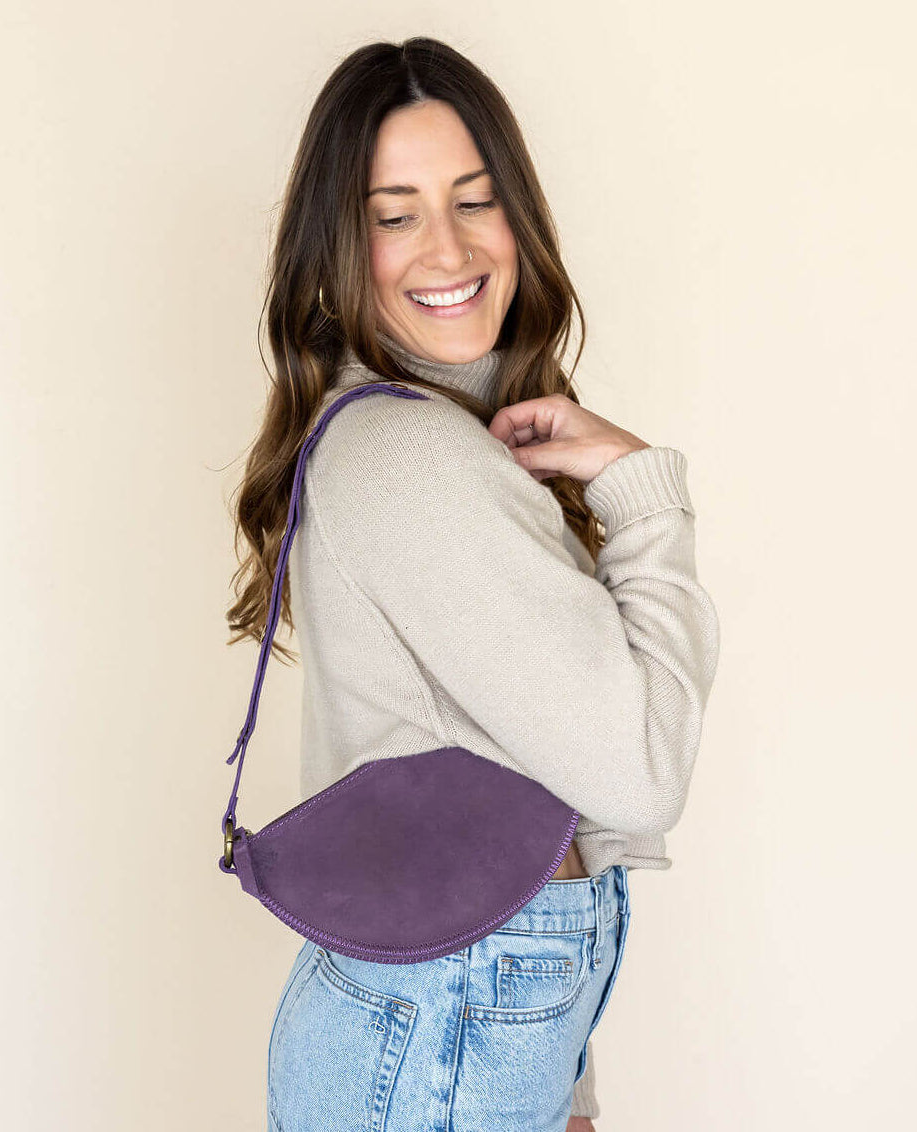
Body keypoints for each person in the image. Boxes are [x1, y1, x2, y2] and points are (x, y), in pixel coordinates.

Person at [225, 37, 720, 1132]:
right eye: (392, 214)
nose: (444, 247)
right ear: (334, 249)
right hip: (438, 1040)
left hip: (438, 1031)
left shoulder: (427, 440)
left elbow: (513, 796)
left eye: (473, 198)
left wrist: (566, 1083)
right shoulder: (412, 456)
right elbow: (639, 774)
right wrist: (644, 495)